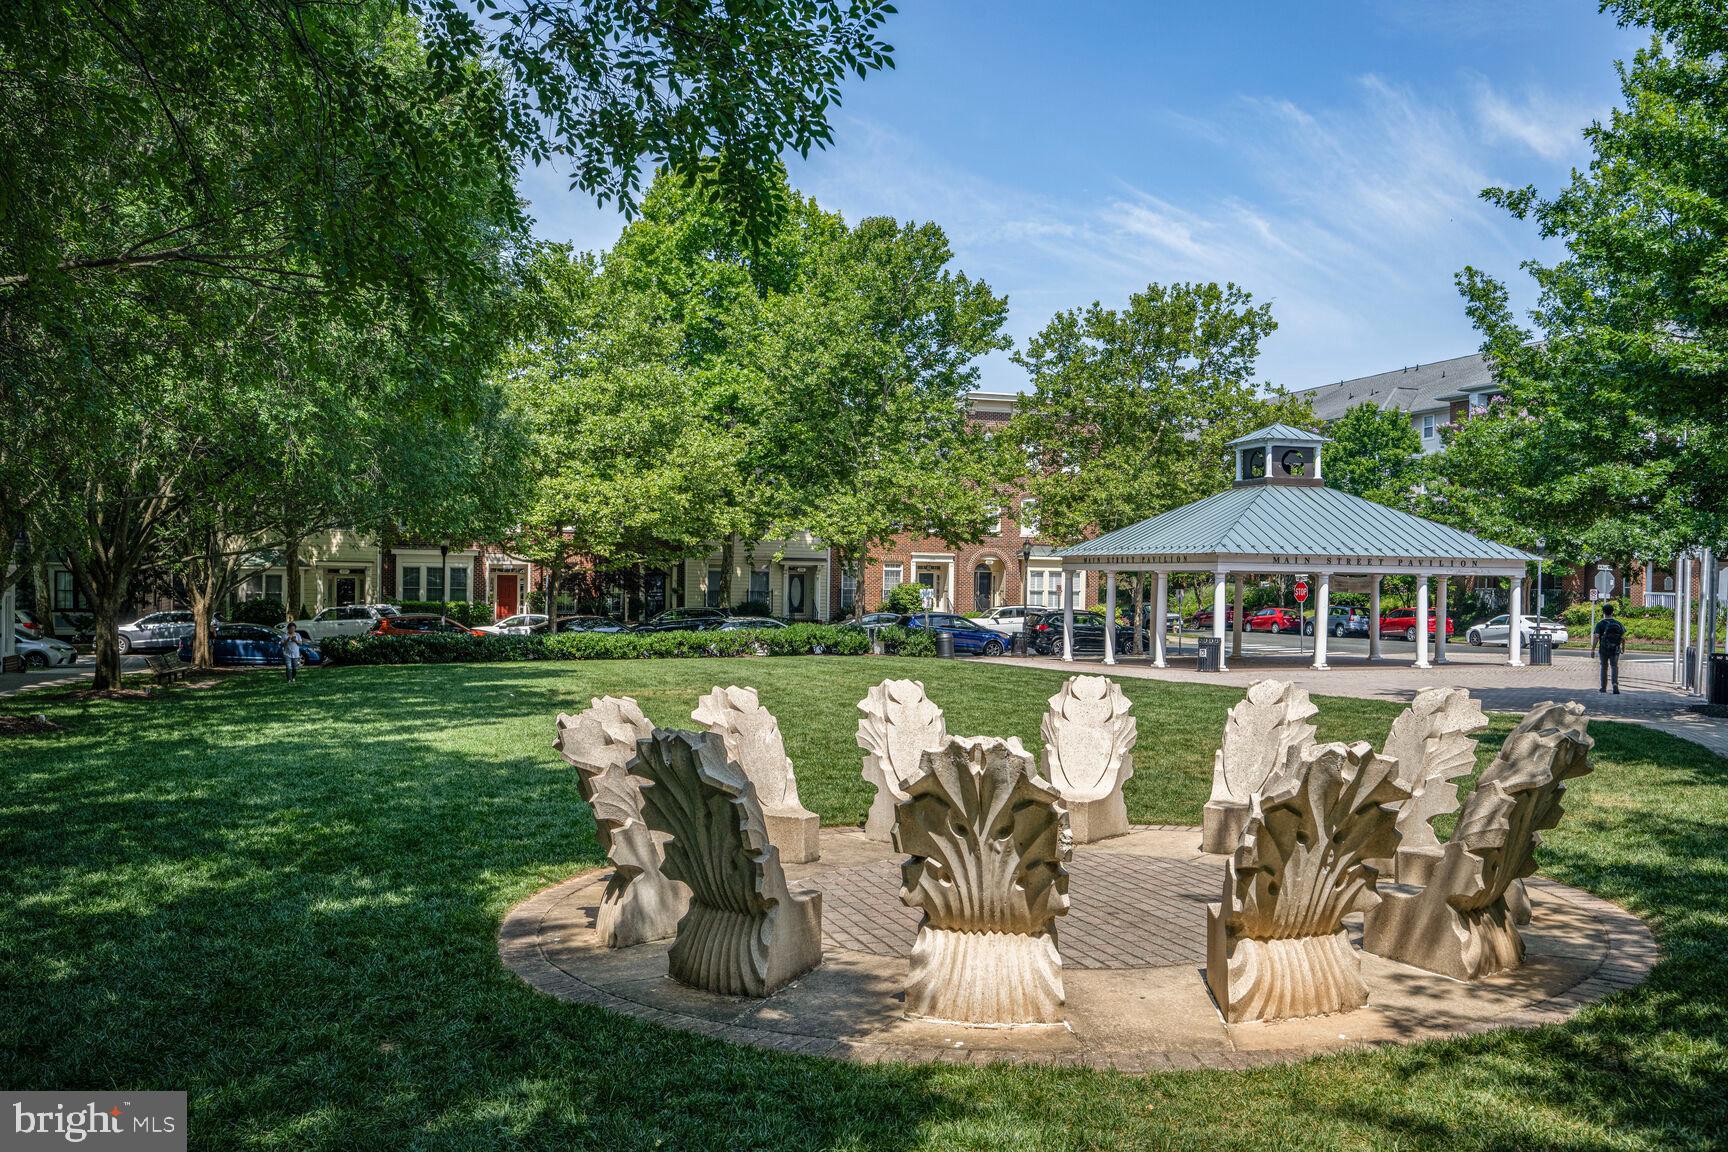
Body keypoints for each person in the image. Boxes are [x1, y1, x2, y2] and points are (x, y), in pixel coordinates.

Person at [1592, 602, 1625, 694]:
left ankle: (1603, 687)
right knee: (1614, 666)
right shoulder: (1618, 623)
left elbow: (1596, 637)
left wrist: (1593, 649)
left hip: (1603, 649)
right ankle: (1615, 684)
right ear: (1612, 612)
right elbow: (1622, 638)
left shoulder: (1600, 624)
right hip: (1615, 649)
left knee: (1604, 667)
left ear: (1603, 612)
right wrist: (1622, 648)